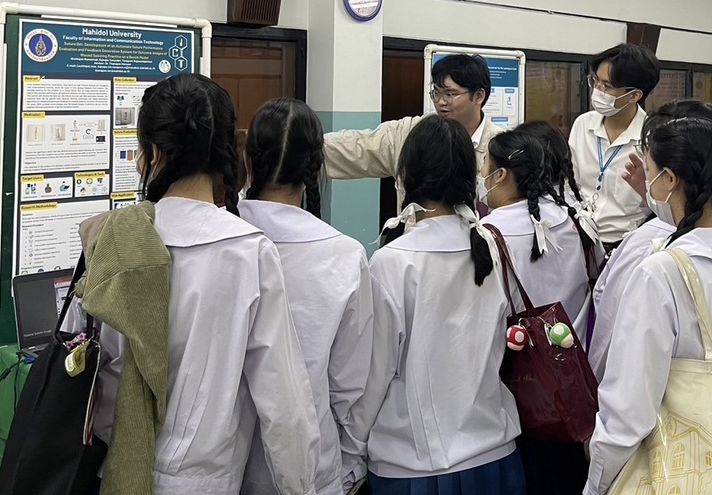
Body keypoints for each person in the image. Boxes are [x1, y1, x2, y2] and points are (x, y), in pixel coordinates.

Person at [76, 74, 319, 494]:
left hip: (112, 470)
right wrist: (301, 487)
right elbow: (284, 401)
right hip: (205, 481)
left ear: (152, 153)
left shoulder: (111, 236)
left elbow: (84, 362)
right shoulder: (248, 252)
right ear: (228, 154)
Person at [583, 117, 712, 495]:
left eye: (649, 171)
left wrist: (597, 482)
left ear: (670, 180)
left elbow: (628, 410)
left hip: (672, 475)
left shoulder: (660, 272)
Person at [346, 117, 524, 494]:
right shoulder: (490, 247)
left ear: (406, 175)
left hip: (414, 465)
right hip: (496, 454)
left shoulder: (393, 261)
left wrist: (350, 448)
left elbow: (373, 373)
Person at [236, 98, 374, 494]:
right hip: (315, 458)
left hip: (226, 459)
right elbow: (350, 384)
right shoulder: (344, 255)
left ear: (248, 159)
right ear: (316, 167)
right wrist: (349, 462)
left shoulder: (222, 238)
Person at [589, 99, 712, 382]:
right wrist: (653, 199)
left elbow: (613, 342)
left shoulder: (654, 260)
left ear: (672, 176)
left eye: (650, 167)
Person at [480, 127, 597, 495]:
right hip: (579, 381)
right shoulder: (574, 219)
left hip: (525, 389)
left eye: (485, 165)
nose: (481, 173)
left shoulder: (488, 234)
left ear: (500, 175)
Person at [323, 53, 501, 185]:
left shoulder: (500, 147)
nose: (441, 102)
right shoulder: (410, 133)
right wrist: (308, 144)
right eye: (436, 93)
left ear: (479, 96)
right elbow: (358, 147)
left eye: (450, 94)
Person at [568, 44, 660, 250]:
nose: (597, 90)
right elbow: (568, 181)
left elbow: (662, 204)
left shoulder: (652, 138)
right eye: (596, 81)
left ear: (634, 95)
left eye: (607, 86)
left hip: (626, 244)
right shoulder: (583, 124)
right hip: (579, 237)